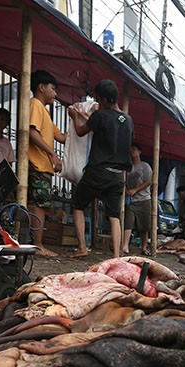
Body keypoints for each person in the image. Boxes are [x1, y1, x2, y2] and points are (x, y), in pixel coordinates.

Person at [67, 79, 134, 259]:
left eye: (98, 99)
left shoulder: (100, 115)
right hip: (119, 175)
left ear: (104, 99)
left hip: (98, 171)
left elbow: (81, 131)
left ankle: (82, 247)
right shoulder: (128, 120)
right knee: (114, 215)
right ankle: (117, 256)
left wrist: (74, 115)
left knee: (78, 204)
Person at [28, 70, 67, 257]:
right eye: (53, 89)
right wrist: (52, 154)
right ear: (41, 87)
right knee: (38, 205)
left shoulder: (45, 112)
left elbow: (61, 137)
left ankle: (35, 244)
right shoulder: (35, 105)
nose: (55, 93)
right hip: (37, 164)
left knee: (38, 204)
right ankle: (37, 245)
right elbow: (31, 132)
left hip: (42, 166)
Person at [122, 141, 153, 255]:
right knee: (128, 222)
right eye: (131, 149)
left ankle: (144, 248)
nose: (132, 151)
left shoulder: (145, 166)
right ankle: (125, 246)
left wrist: (135, 190)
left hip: (144, 199)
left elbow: (149, 181)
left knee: (144, 226)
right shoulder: (128, 168)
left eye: (134, 149)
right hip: (131, 200)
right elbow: (123, 182)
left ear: (139, 151)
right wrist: (126, 191)